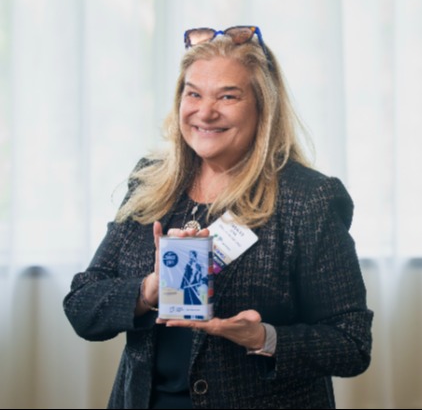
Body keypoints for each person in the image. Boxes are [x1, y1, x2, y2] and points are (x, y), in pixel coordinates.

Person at [63, 25, 373, 409]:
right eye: (194, 94)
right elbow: (81, 307)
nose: (205, 112)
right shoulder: (150, 182)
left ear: (263, 108)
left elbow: (352, 343)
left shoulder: (308, 199)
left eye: (227, 96)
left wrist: (263, 338)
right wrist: (149, 290)